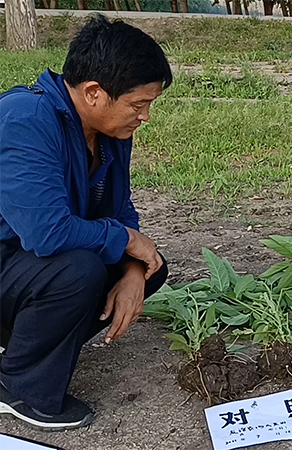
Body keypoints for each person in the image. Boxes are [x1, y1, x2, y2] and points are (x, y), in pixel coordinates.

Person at [0, 15, 172, 430]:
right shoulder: (24, 119)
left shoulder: (110, 134)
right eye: (137, 104)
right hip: (16, 256)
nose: (144, 117)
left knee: (150, 264)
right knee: (79, 269)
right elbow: (47, 232)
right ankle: (17, 386)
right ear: (94, 92)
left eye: (150, 104)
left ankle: (20, 345)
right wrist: (126, 239)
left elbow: (120, 209)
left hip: (22, 268)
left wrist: (134, 271)